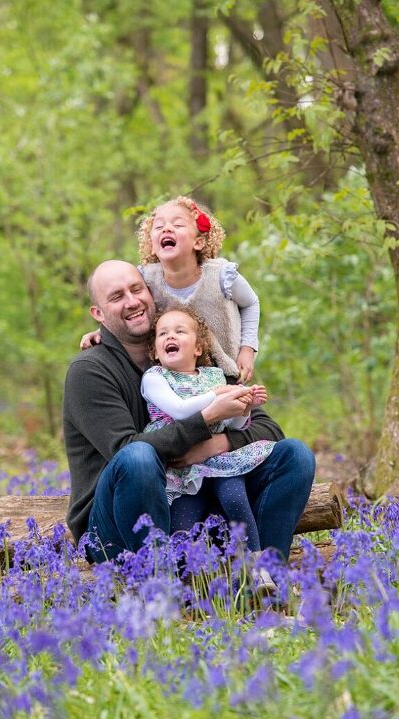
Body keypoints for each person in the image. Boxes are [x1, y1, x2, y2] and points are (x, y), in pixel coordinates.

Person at [63, 259, 315, 564]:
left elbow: (267, 429)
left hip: (194, 501)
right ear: (98, 314)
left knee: (294, 454)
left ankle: (263, 573)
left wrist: (218, 443)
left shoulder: (189, 355)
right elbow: (126, 453)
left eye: (137, 289)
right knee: (139, 457)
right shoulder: (90, 371)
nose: (132, 302)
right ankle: (161, 588)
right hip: (115, 526)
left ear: (151, 293)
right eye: (117, 297)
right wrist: (207, 418)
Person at [81, 196, 260, 382]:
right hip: (175, 379)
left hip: (225, 375)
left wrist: (247, 348)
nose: (167, 228)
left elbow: (251, 303)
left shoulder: (222, 276)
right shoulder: (148, 279)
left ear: (198, 242)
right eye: (159, 227)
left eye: (178, 225)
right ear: (152, 246)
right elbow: (128, 309)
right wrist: (103, 333)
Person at [142, 306, 275, 551]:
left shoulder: (214, 376)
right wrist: (218, 394)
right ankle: (184, 582)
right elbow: (180, 410)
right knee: (182, 526)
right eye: (163, 334)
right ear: (155, 352)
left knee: (235, 499)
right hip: (181, 466)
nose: (170, 336)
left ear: (198, 348)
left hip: (217, 459)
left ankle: (257, 567)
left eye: (180, 331)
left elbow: (232, 425)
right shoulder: (155, 378)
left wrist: (244, 407)